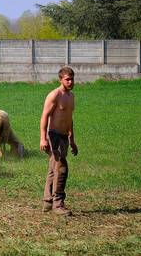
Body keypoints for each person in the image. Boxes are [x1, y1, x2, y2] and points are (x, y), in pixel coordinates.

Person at [39, 66, 78, 216]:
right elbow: (44, 116)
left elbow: (69, 119)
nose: (70, 81)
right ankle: (58, 204)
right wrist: (43, 138)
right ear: (60, 79)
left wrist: (72, 139)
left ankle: (47, 201)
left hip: (64, 136)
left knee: (53, 168)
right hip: (53, 135)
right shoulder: (54, 95)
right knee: (61, 168)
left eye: (72, 79)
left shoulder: (71, 97)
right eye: (67, 79)